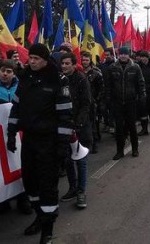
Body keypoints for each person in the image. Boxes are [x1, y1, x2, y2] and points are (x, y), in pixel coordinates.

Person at [6, 43, 74, 244]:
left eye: (36, 59)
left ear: (45, 60)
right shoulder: (25, 78)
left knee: (47, 186)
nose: (32, 61)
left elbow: (65, 115)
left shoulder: (58, 80)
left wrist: (62, 145)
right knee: (30, 182)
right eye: (31, 58)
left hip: (49, 142)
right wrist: (11, 133)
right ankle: (39, 215)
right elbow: (16, 108)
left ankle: (48, 230)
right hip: (29, 140)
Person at [0, 59, 32, 216]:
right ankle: (2, 202)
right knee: (0, 167)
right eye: (3, 70)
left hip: (20, 132)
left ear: (14, 73)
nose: (5, 74)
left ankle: (23, 199)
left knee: (20, 164)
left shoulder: (22, 86)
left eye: (9, 71)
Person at [59, 53, 91, 209]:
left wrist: (78, 123)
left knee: (80, 159)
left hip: (80, 126)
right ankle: (72, 187)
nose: (64, 66)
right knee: (67, 160)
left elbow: (86, 104)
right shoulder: (59, 80)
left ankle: (81, 191)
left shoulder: (81, 79)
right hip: (64, 126)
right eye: (62, 63)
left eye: (67, 63)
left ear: (73, 64)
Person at [106, 46, 146, 160]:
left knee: (132, 127)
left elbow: (141, 83)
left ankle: (135, 149)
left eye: (125, 53)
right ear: (118, 55)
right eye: (121, 54)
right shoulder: (112, 67)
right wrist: (108, 99)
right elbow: (108, 85)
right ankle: (119, 151)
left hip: (131, 102)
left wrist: (142, 96)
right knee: (119, 128)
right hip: (117, 102)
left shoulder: (135, 67)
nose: (123, 55)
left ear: (129, 55)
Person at [81, 51, 104, 154]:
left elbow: (101, 88)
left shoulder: (96, 72)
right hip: (82, 102)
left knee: (93, 124)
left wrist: (97, 100)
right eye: (83, 60)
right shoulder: (79, 71)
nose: (84, 62)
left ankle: (94, 144)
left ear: (90, 60)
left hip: (93, 102)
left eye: (87, 60)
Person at [98, 48, 115, 133]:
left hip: (113, 91)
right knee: (103, 108)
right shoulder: (102, 66)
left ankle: (112, 125)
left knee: (112, 109)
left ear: (112, 55)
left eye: (108, 55)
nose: (106, 56)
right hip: (104, 90)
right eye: (105, 55)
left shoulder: (116, 65)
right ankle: (107, 123)